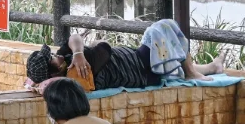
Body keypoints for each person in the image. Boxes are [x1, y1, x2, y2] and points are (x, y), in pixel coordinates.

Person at [26, 18, 224, 92]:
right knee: (163, 27)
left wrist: (78, 52)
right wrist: (85, 50)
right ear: (55, 70)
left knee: (169, 57)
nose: (56, 54)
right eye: (52, 57)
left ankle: (212, 67)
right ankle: (191, 72)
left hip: (140, 64)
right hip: (141, 67)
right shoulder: (80, 72)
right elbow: (103, 47)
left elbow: (74, 37)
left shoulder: (71, 62)